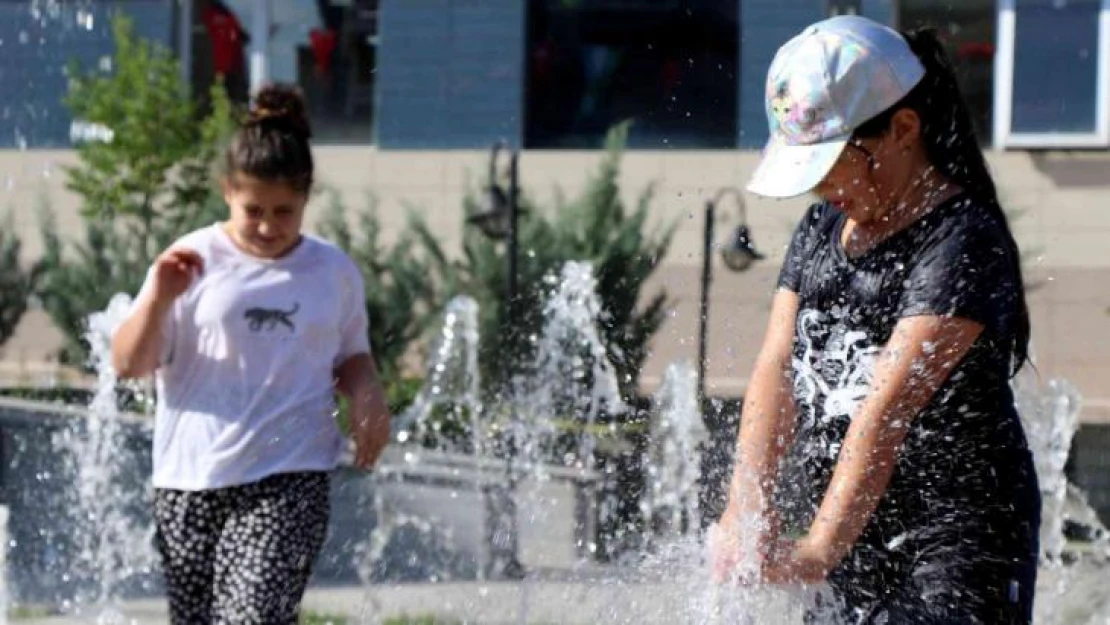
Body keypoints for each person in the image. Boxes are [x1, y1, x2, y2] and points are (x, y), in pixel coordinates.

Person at [709, 15, 1041, 624]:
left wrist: (815, 551)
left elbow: (886, 412)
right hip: (850, 528)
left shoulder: (959, 239)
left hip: (954, 544)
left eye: (830, 163)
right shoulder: (821, 230)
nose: (819, 189)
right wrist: (744, 508)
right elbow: (777, 368)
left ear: (903, 129)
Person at [111, 84, 391, 624]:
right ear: (227, 191)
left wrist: (368, 393)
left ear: (307, 197)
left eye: (284, 211)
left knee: (252, 617)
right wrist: (159, 300)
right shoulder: (188, 260)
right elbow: (128, 364)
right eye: (253, 210)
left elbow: (352, 356)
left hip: (291, 475)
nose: (267, 226)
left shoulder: (332, 272)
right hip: (189, 478)